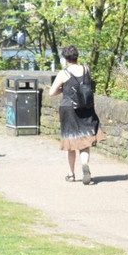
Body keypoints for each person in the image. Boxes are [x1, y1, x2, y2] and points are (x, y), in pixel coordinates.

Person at [47, 45, 106, 184]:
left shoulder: (64, 73)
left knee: (71, 142)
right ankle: (85, 165)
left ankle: (71, 174)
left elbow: (51, 93)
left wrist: (62, 90)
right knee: (84, 141)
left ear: (65, 58)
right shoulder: (86, 69)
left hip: (69, 109)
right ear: (77, 56)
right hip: (85, 108)